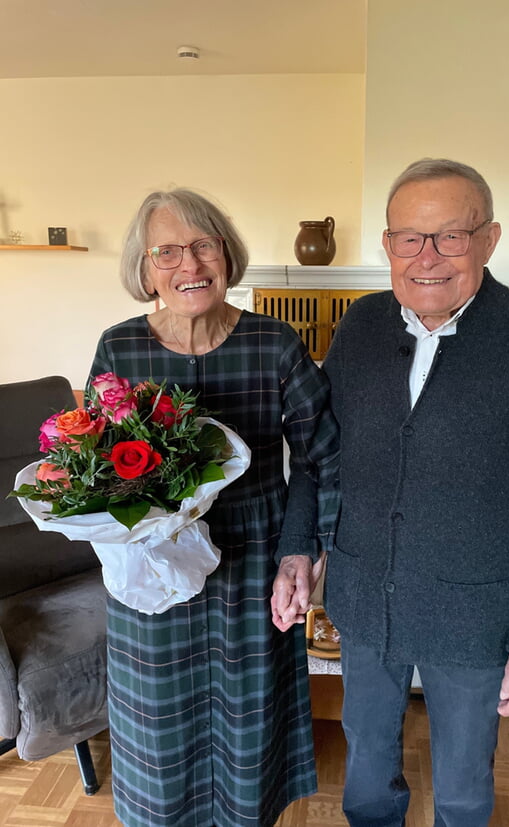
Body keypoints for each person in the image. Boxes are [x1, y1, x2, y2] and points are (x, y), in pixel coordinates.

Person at [320, 158, 509, 827]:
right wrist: (304, 548)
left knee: (465, 788)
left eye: (451, 236)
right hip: (366, 595)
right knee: (365, 770)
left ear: (489, 239)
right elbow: (323, 456)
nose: (427, 257)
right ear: (387, 244)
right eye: (409, 237)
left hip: (475, 612)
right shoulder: (360, 326)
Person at [88, 188, 338, 827]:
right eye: (167, 252)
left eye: (203, 245)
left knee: (247, 724)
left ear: (226, 255)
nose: (189, 265)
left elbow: (319, 459)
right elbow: (95, 468)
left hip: (255, 557)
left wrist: (301, 552)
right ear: (146, 270)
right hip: (156, 564)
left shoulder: (274, 342)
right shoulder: (119, 349)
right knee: (156, 727)